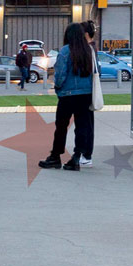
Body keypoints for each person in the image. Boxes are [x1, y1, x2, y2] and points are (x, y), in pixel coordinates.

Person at [42, 22, 96, 170]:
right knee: (82, 126)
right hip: (85, 94)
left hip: (67, 94)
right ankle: (76, 157)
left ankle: (55, 156)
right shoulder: (89, 50)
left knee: (61, 126)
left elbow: (60, 74)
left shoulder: (65, 51)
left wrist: (58, 87)